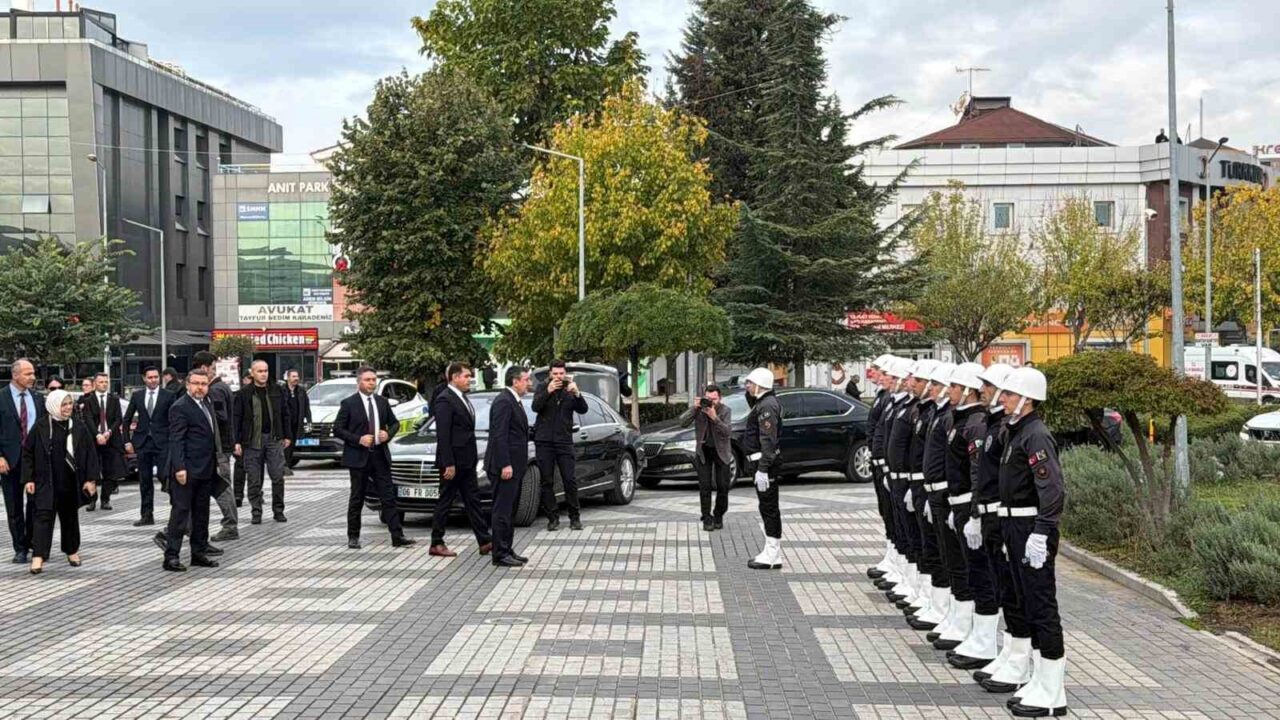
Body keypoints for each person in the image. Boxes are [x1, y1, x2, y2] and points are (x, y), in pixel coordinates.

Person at [987, 367, 1068, 718]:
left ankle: (1053, 691)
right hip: (1013, 525)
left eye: (1008, 394)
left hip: (1029, 528)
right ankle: (1039, 679)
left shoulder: (1036, 436)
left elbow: (1053, 489)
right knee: (1023, 601)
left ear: (1027, 399)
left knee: (1041, 605)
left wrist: (1042, 531)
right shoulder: (1016, 432)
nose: (1002, 399)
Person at [944, 363, 998, 669]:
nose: (949, 390)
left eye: (954, 386)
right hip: (960, 504)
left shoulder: (976, 424)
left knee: (979, 572)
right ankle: (977, 635)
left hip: (970, 505)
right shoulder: (962, 419)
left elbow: (977, 473)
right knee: (969, 569)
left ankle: (985, 641)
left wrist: (973, 513)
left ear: (967, 390)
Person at [334, 366, 415, 549]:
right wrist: (358, 439)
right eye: (367, 380)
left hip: (379, 456)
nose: (371, 383)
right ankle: (353, 536)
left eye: (373, 379)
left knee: (388, 497)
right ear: (359, 382)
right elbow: (337, 429)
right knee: (357, 497)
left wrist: (388, 433)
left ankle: (397, 536)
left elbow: (394, 424)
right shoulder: (349, 403)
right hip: (358, 457)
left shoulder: (382, 402)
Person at [22, 389, 99, 574]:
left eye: (70, 404)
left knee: (70, 518)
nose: (68, 408)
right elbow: (27, 454)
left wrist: (91, 479)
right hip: (46, 482)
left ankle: (72, 551)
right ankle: (38, 556)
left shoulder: (78, 426)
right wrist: (28, 479)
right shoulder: (41, 426)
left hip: (70, 482)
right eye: (63, 404)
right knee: (42, 518)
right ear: (53, 406)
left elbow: (91, 454)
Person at [162, 370, 223, 572]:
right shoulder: (180, 407)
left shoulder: (206, 403)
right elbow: (176, 439)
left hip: (206, 469)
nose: (200, 387)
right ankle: (171, 556)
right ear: (187, 384)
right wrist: (179, 468)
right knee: (180, 514)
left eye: (204, 384)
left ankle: (198, 553)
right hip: (186, 470)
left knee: (201, 514)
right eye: (196, 383)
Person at [430, 363, 492, 557]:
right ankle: (436, 542)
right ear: (455, 377)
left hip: (466, 461)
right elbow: (443, 434)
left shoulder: (463, 397)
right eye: (466, 376)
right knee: (445, 501)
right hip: (453, 463)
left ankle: (485, 541)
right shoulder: (445, 399)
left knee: (473, 501)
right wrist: (448, 462)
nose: (469, 380)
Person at [532, 360, 588, 531]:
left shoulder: (570, 388)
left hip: (564, 440)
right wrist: (548, 392)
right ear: (550, 374)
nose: (558, 376)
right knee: (547, 480)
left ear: (565, 373)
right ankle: (552, 518)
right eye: (555, 374)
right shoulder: (542, 387)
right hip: (544, 441)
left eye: (561, 373)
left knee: (569, 479)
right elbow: (535, 407)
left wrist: (577, 393)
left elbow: (583, 409)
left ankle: (575, 518)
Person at [233, 360, 293, 524]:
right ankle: (256, 512)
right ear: (252, 373)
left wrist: (287, 435)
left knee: (278, 476)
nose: (263, 374)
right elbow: (236, 418)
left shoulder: (277, 390)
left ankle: (278, 510)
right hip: (252, 441)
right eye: (260, 371)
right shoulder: (243, 394)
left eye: (265, 371)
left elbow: (285, 413)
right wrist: (236, 441)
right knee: (254, 479)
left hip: (274, 439)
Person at [486, 365, 531, 567]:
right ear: (515, 381)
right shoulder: (503, 401)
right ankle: (500, 553)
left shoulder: (514, 401)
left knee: (510, 510)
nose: (529, 383)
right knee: (502, 511)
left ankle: (507, 547)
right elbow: (499, 435)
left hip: (516, 466)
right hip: (505, 467)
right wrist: (505, 463)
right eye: (526, 380)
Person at [742, 367, 783, 570]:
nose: (747, 386)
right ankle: (771, 550)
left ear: (760, 385)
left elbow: (768, 440)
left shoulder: (767, 406)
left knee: (769, 508)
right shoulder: (762, 402)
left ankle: (773, 553)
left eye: (750, 383)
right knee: (766, 506)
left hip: (765, 464)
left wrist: (763, 468)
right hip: (760, 463)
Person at [122, 367, 174, 527]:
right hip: (143, 442)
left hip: (163, 442)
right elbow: (127, 419)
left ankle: (177, 514)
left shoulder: (169, 395)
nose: (153, 380)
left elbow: (175, 418)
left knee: (166, 477)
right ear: (144, 378)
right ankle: (146, 515)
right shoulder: (137, 395)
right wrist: (127, 441)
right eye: (150, 377)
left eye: (156, 377)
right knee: (145, 480)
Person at [1, 358, 41, 563]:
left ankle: (33, 541)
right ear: (15, 375)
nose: (32, 377)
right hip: (10, 461)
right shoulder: (2, 398)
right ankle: (20, 548)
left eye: (33, 373)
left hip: (35, 461)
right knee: (14, 506)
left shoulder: (37, 398)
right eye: (28, 374)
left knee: (36, 505)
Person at [679, 384, 733, 531]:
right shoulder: (700, 410)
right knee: (705, 486)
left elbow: (727, 432)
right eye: (708, 399)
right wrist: (695, 408)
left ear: (720, 398)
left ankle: (718, 514)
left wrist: (715, 417)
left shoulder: (725, 410)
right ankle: (706, 517)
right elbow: (682, 422)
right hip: (703, 452)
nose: (710, 402)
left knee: (723, 486)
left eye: (714, 399)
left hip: (721, 452)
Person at [82, 373, 126, 512]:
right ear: (95, 383)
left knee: (110, 471)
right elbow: (88, 419)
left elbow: (118, 418)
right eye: (101, 382)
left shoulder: (114, 399)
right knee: (92, 470)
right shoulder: (88, 400)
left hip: (111, 440)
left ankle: (105, 499)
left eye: (106, 382)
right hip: (93, 440)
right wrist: (97, 434)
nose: (104, 384)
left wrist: (109, 432)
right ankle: (92, 499)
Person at [282, 369, 311, 473]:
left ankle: (288, 465)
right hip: (285, 423)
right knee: (285, 445)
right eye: (294, 376)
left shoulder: (301, 391)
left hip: (297, 423)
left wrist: (309, 421)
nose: (296, 378)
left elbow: (306, 406)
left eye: (297, 376)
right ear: (288, 378)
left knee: (292, 444)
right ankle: (284, 466)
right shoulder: (282, 390)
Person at [232, 372, 252, 505]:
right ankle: (238, 495)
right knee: (240, 466)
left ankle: (256, 493)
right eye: (248, 378)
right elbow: (236, 419)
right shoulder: (239, 395)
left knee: (255, 469)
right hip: (243, 437)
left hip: (257, 438)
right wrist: (236, 441)